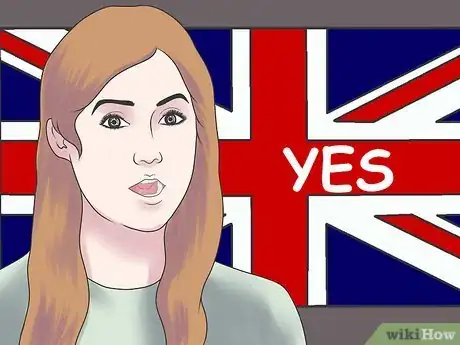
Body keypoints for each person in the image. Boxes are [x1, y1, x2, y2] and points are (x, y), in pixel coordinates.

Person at [0, 5, 307, 345]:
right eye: (114, 121)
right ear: (60, 139)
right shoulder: (7, 307)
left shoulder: (260, 313)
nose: (149, 152)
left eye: (171, 117)